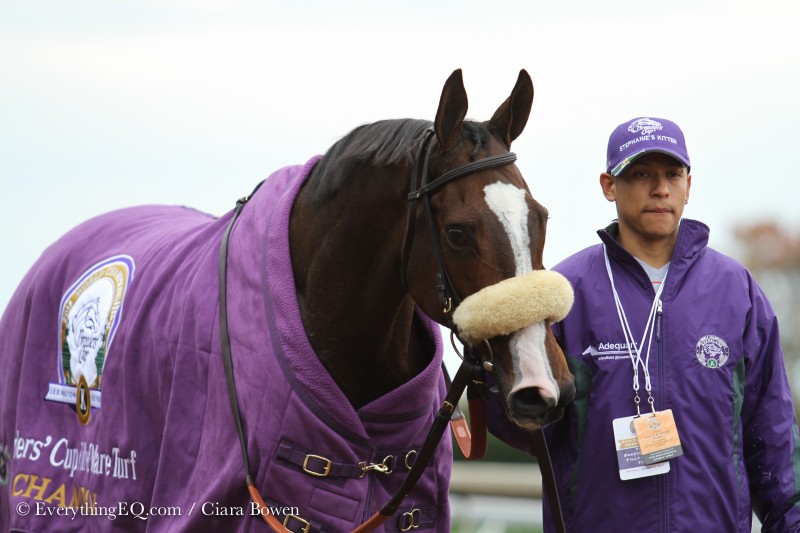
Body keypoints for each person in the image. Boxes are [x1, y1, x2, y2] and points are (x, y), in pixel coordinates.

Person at [490, 117, 800, 532]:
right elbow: (524, 427)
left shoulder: (736, 290)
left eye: (672, 173)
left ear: (690, 184)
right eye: (641, 174)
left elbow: (773, 438)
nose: (660, 188)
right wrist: (492, 353)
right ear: (608, 185)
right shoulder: (564, 293)